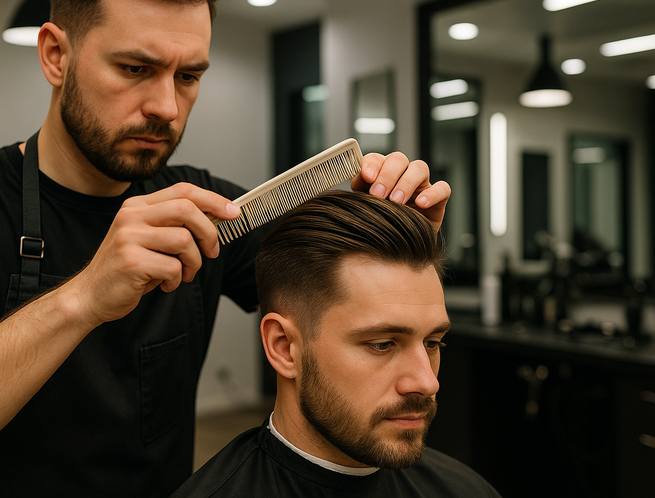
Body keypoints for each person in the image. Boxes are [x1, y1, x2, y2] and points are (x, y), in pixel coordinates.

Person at [0, 0, 450, 497]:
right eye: (135, 68)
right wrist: (82, 298)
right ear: (56, 56)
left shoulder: (213, 212)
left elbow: (335, 307)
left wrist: (391, 239)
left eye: (189, 75)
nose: (166, 105)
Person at [171, 191, 500, 497]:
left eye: (432, 343)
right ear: (285, 347)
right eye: (383, 344)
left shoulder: (466, 489)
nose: (427, 382)